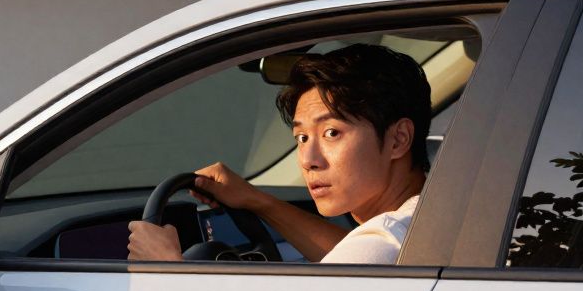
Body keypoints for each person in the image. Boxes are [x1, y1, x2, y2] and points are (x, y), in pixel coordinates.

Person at [128, 43, 431, 264]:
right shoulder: (422, 222)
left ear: (398, 139)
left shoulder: (387, 241)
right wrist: (258, 201)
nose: (309, 160)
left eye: (331, 133)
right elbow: (350, 254)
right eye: (301, 137)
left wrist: (166, 266)